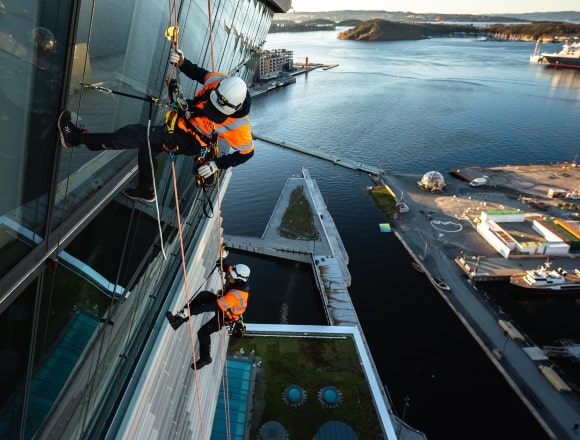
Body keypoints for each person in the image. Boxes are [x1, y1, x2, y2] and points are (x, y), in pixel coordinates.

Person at [57, 48, 254, 202]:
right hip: (181, 123)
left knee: (134, 134)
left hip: (190, 140)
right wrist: (183, 63)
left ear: (234, 108)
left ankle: (76, 138)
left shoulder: (239, 126)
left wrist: (215, 165)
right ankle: (146, 190)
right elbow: (199, 74)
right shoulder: (219, 81)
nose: (212, 110)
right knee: (147, 148)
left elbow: (247, 153)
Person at [165, 263, 250, 370]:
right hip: (224, 306)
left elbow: (209, 307)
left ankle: (206, 358)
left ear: (238, 280)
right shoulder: (237, 275)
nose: (228, 276)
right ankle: (178, 321)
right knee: (204, 295)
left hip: (226, 316)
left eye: (231, 276)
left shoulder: (234, 296)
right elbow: (227, 268)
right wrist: (222, 262)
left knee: (203, 332)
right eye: (230, 274)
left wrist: (190, 311)